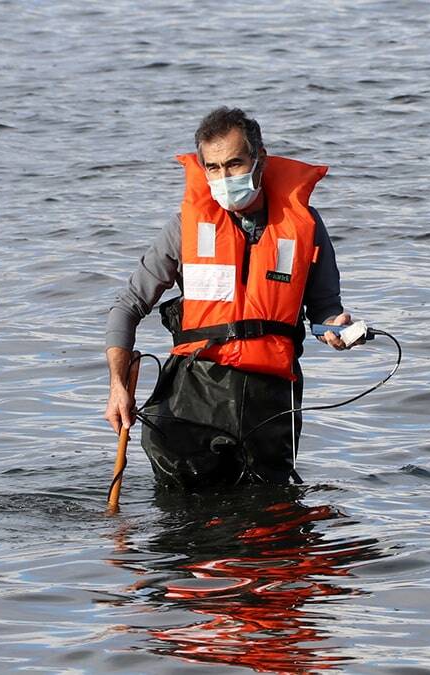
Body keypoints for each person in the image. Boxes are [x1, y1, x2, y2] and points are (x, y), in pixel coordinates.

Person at [104, 106, 358, 490]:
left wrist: (334, 327)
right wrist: (118, 388)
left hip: (270, 403)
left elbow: (324, 309)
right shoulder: (185, 228)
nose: (224, 178)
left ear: (260, 160)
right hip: (192, 400)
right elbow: (126, 307)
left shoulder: (305, 225)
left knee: (271, 516)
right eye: (213, 168)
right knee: (184, 519)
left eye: (235, 164)